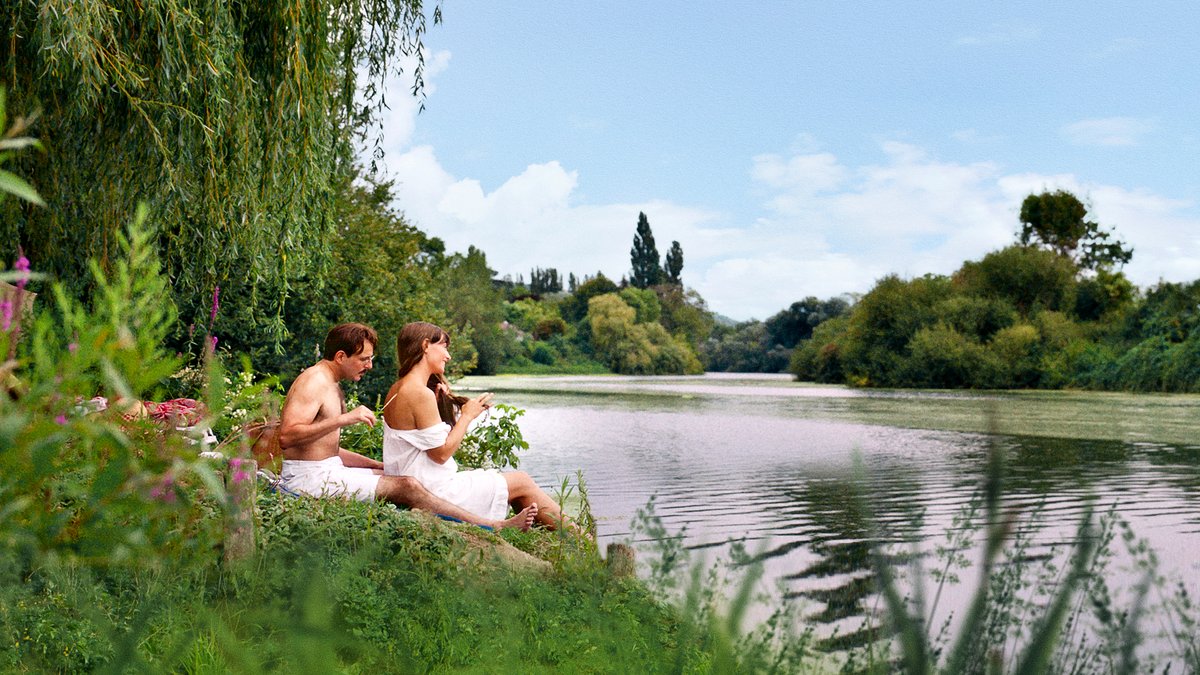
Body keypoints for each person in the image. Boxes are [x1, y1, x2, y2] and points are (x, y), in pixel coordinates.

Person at [277, 322, 537, 531]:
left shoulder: (330, 382)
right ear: (341, 356)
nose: (369, 365)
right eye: (364, 359)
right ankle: (493, 525)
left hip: (324, 470)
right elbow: (287, 436)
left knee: (392, 476)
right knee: (407, 486)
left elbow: (325, 449)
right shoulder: (314, 381)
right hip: (307, 479)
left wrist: (376, 465)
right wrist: (344, 419)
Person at [382, 321, 574, 531]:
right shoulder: (418, 392)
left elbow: (425, 442)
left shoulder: (398, 388)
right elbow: (441, 454)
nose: (448, 355)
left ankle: (568, 538)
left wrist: (443, 401)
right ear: (426, 345)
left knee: (515, 483)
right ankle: (582, 541)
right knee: (521, 481)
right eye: (444, 347)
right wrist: (467, 416)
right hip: (433, 491)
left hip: (420, 481)